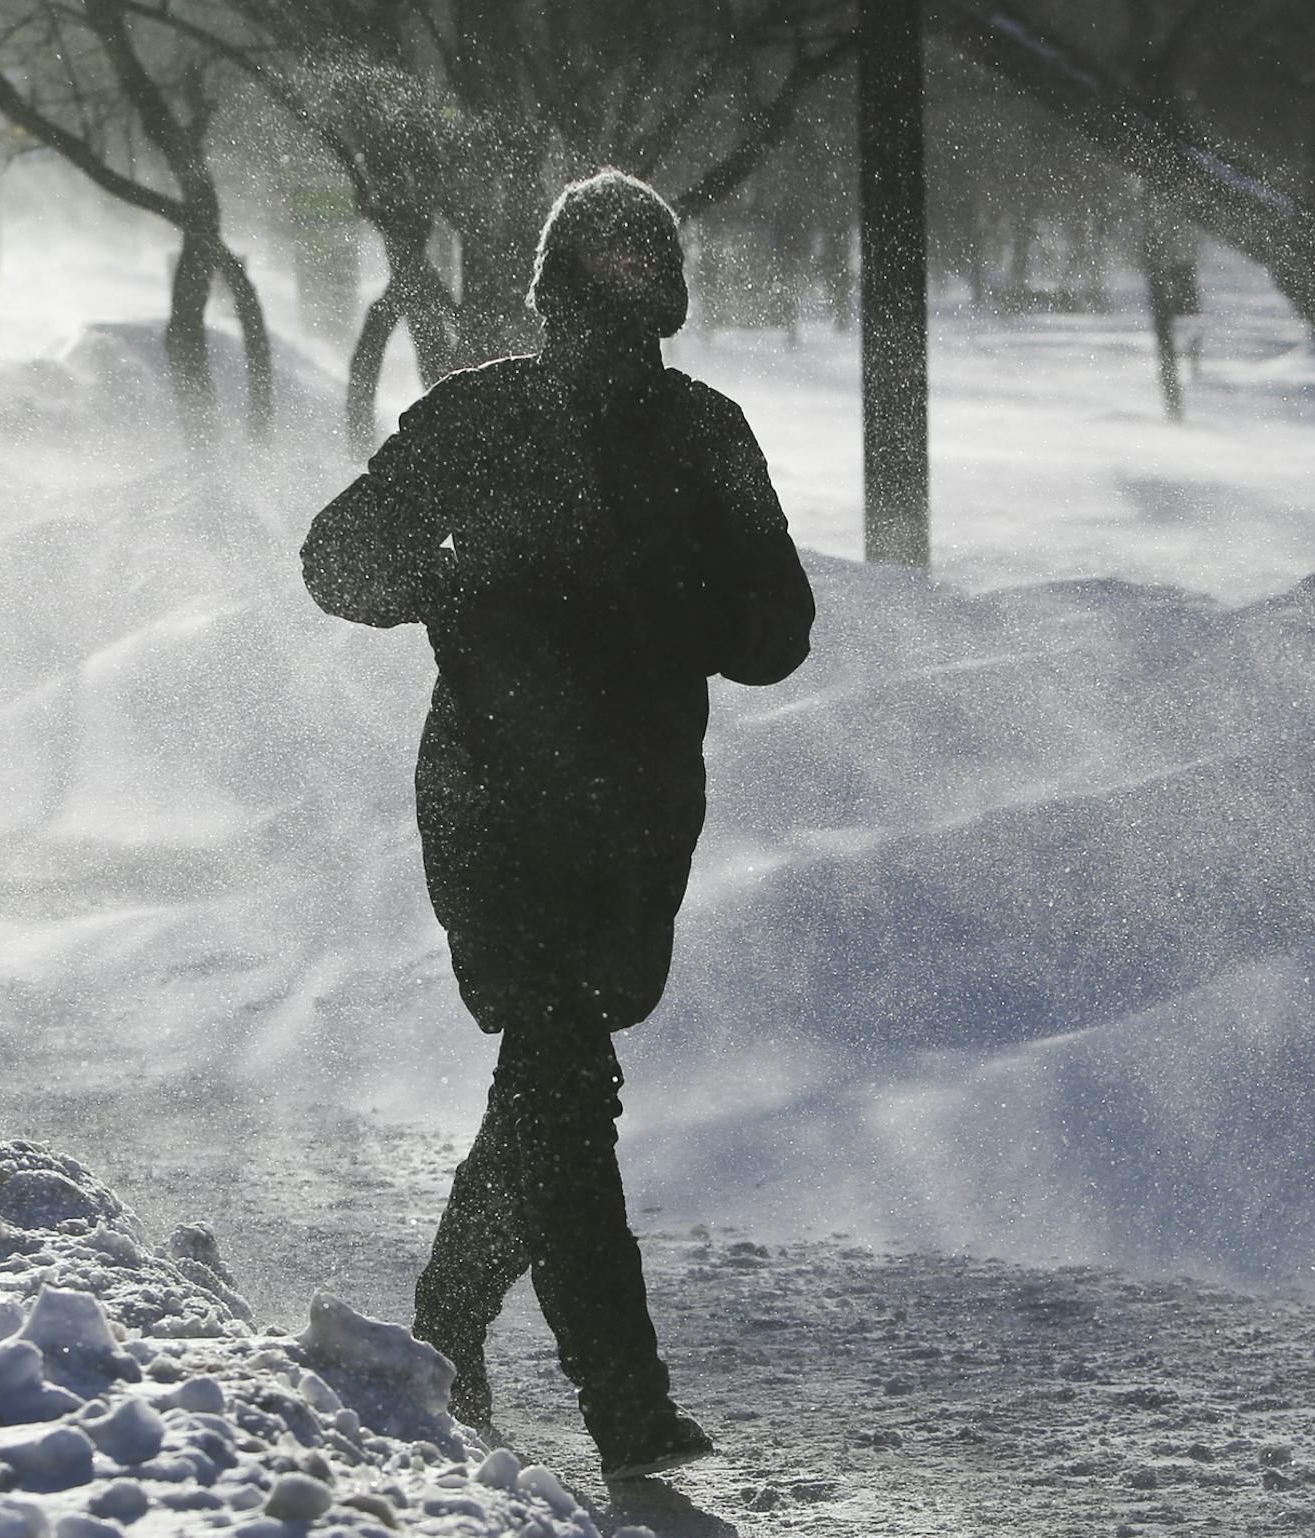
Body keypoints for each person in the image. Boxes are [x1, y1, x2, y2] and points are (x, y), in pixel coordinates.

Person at [299, 169, 815, 1481]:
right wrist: (464, 567)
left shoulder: (708, 439)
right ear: (542, 307)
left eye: (629, 327)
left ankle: (446, 1319)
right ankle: (627, 1408)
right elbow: (336, 561)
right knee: (563, 1070)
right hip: (493, 810)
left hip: (636, 823)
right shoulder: (476, 423)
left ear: (664, 325)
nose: (601, 350)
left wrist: (676, 590)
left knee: (552, 1081)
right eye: (584, 317)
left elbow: (781, 630)